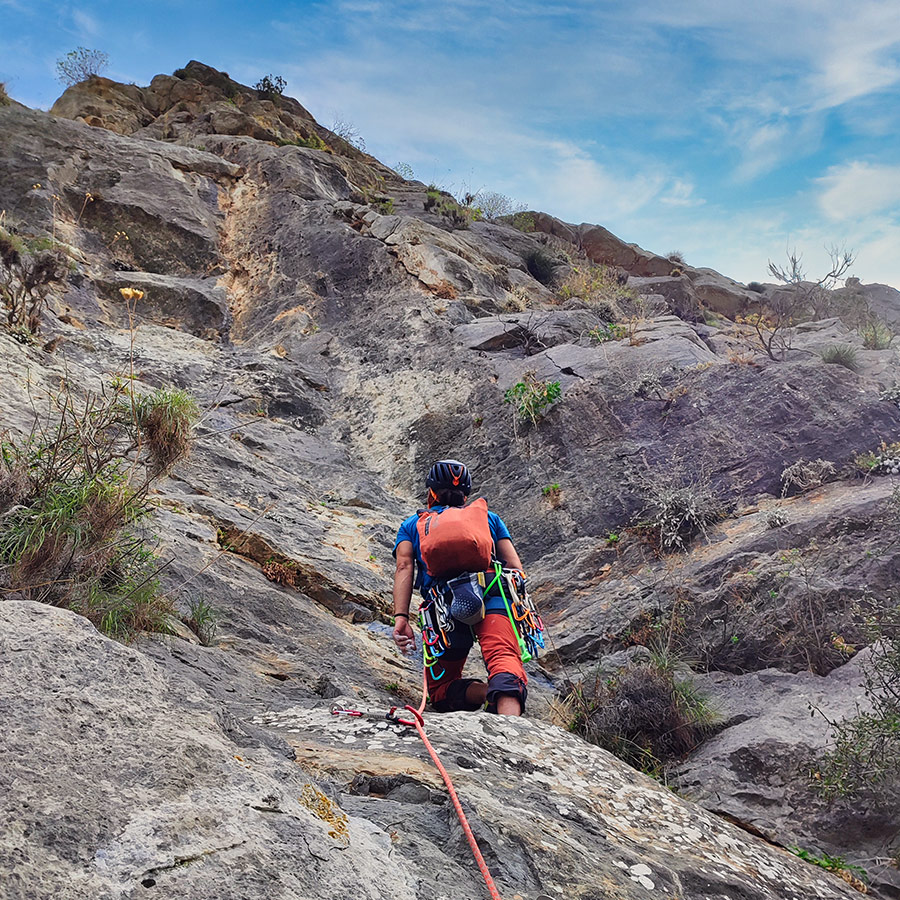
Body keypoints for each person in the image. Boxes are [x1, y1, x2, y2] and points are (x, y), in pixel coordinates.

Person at [392, 459, 527, 716]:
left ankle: (486, 693)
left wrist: (401, 617)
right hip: (491, 593)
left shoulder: (412, 525)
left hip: (442, 610)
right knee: (504, 660)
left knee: (441, 690)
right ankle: (511, 724)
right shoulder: (489, 518)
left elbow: (404, 567)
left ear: (431, 492)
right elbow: (514, 567)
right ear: (466, 495)